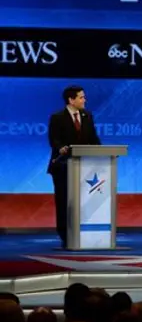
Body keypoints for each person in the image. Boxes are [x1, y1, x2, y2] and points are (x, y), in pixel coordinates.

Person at [47, 86, 101, 248]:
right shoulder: (57, 117)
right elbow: (53, 140)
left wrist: (102, 152)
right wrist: (60, 147)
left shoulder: (87, 115)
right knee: (64, 201)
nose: (85, 100)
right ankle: (65, 235)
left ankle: (85, 232)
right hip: (63, 166)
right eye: (81, 97)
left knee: (84, 201)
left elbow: (94, 138)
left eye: (84, 97)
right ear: (71, 100)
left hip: (86, 167)